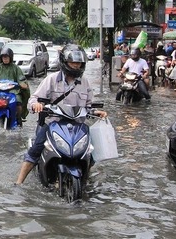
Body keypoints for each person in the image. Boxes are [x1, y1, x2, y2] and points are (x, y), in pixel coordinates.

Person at [16, 44, 108, 184]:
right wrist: (37, 104)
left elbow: (89, 105)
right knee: (35, 150)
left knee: (92, 153)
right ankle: (18, 182)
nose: (76, 65)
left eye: (79, 63)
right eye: (73, 62)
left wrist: (97, 112)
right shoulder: (51, 80)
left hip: (77, 125)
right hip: (52, 123)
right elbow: (33, 99)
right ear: (64, 62)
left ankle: (86, 177)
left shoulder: (84, 83)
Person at [0, 46, 29, 126]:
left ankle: (18, 118)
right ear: (1, 58)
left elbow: (22, 79)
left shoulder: (16, 68)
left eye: (7, 57)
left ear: (10, 57)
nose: (5, 59)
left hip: (13, 92)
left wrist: (22, 84)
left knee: (18, 104)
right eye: (3, 57)